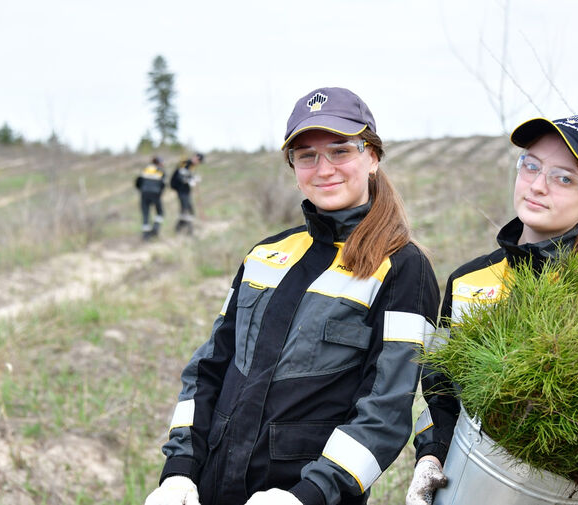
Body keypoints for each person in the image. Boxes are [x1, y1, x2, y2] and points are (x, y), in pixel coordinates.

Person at [144, 87, 441, 505]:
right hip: (208, 490)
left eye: (340, 151)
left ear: (372, 156)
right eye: (307, 156)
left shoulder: (404, 268)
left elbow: (386, 410)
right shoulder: (265, 254)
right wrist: (177, 473)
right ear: (293, 165)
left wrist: (308, 494)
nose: (324, 169)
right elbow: (208, 369)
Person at [408, 115, 578, 505]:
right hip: (467, 487)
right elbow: (441, 393)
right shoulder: (468, 282)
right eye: (531, 165)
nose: (536, 185)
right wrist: (430, 456)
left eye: (563, 178)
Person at [171, 152, 204, 234]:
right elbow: (180, 176)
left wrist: (194, 178)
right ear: (196, 158)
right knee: (187, 209)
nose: (198, 163)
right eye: (199, 161)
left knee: (185, 209)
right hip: (181, 190)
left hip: (185, 190)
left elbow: (188, 175)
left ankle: (179, 228)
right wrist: (190, 180)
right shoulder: (185, 163)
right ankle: (189, 231)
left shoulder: (191, 166)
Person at [135, 156, 167, 240]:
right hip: (155, 194)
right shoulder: (160, 171)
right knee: (160, 212)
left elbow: (138, 182)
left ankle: (146, 236)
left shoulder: (146, 169)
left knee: (146, 213)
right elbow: (163, 185)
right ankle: (155, 229)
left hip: (144, 193)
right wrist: (159, 193)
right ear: (159, 163)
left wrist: (142, 190)